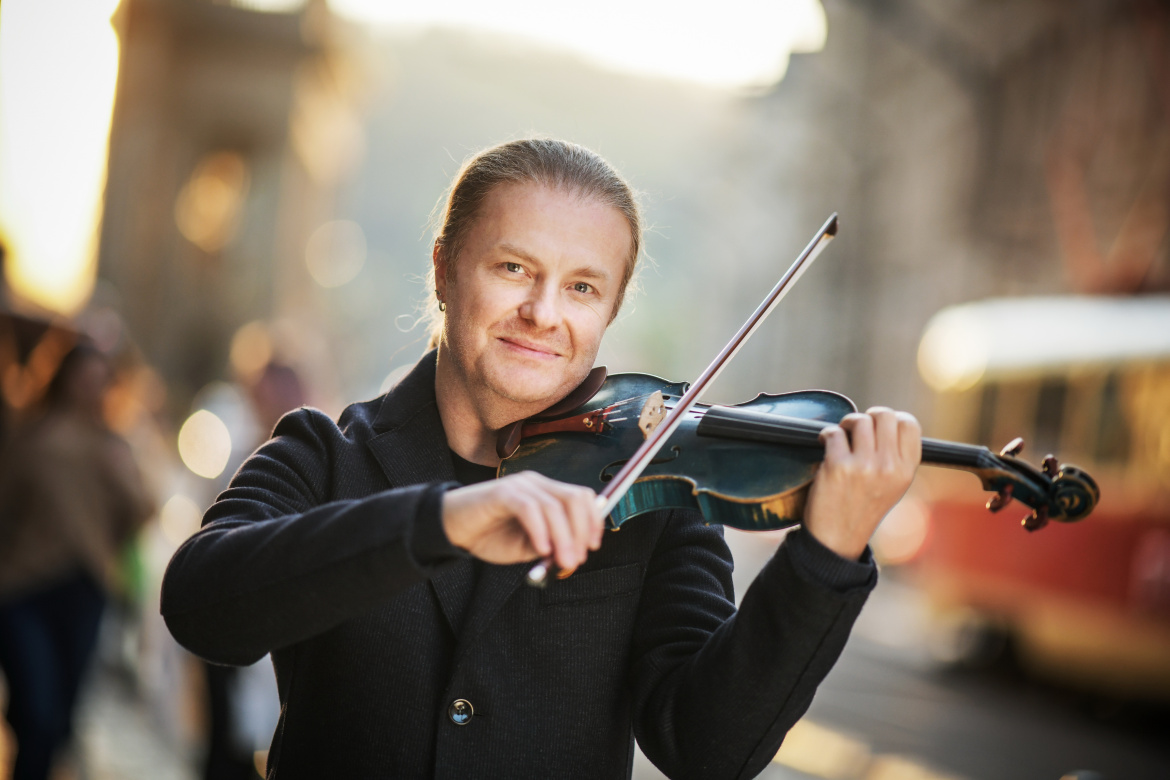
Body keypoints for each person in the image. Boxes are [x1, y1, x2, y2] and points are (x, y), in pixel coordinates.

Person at [161, 139, 921, 779]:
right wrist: (444, 520)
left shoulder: (654, 499)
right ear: (443, 270)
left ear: (608, 313)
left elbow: (707, 747)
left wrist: (825, 555)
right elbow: (201, 607)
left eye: (582, 287)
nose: (545, 314)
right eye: (514, 269)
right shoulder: (326, 454)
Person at [0, 343, 154, 780]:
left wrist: (119, 471)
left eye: (99, 377)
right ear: (64, 377)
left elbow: (140, 512)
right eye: (84, 375)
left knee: (61, 713)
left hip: (83, 587)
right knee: (37, 707)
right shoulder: (33, 435)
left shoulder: (113, 444)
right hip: (24, 587)